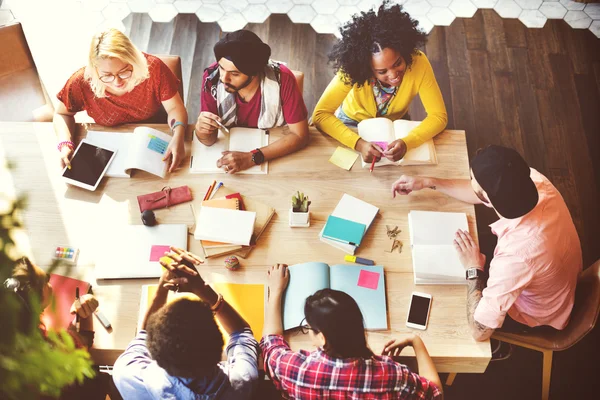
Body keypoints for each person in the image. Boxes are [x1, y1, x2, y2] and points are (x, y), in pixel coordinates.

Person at [391, 145, 582, 342]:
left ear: (488, 199)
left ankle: (501, 348)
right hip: (555, 280)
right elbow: (479, 192)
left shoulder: (517, 255)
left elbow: (478, 331)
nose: (470, 181)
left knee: (449, 311)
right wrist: (428, 182)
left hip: (537, 317)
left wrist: (473, 268)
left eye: (472, 179)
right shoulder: (532, 180)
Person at [261, 263, 443, 399]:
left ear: (323, 338)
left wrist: (276, 289)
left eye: (308, 326)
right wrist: (415, 340)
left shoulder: (296, 370)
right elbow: (436, 394)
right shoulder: (392, 375)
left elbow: (270, 343)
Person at [113, 247, 259, 399]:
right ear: (219, 344)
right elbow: (241, 332)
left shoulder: (128, 374)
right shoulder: (241, 380)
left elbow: (143, 335)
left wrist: (162, 288)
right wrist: (203, 289)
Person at [312, 0, 447, 164]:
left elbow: (438, 117)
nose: (394, 76)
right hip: (352, 120)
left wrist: (407, 142)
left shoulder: (419, 62)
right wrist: (358, 143)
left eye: (398, 63)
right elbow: (320, 115)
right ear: (367, 69)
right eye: (382, 72)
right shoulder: (354, 68)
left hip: (394, 121)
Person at [54, 29, 187, 172]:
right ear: (95, 70)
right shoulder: (81, 82)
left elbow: (175, 108)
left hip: (153, 139)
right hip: (108, 148)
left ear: (134, 60)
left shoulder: (153, 68)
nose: (117, 82)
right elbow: (62, 114)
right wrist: (65, 144)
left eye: (124, 71)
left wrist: (178, 134)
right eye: (107, 75)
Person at [195, 29, 309, 174]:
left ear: (254, 72)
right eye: (222, 68)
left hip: (272, 160)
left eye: (235, 74)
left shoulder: (283, 79)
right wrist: (201, 130)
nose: (224, 78)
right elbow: (209, 140)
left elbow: (300, 135)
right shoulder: (212, 79)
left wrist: (252, 158)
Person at [5, 257, 105, 399]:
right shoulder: (50, 347)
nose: (49, 280)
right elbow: (85, 339)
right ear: (35, 303)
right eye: (45, 280)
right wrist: (85, 310)